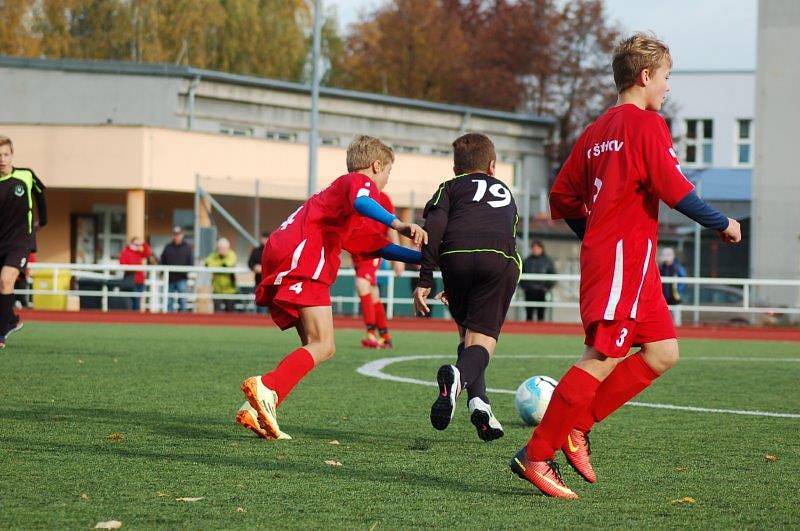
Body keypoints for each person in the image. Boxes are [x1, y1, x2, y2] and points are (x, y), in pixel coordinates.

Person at [508, 32, 742, 499]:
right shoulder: (646, 125)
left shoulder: (595, 132)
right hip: (622, 259)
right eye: (666, 78)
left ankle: (577, 427)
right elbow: (676, 190)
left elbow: (562, 196)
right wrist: (724, 223)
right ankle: (536, 454)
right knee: (602, 356)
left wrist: (593, 234)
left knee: (662, 352)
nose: (668, 88)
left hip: (628, 259)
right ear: (645, 76)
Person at [235, 135, 426, 440]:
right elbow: (364, 201)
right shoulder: (356, 183)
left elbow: (374, 245)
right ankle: (266, 387)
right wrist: (398, 224)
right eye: (389, 172)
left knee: (314, 343)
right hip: (304, 258)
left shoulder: (340, 206)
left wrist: (424, 259)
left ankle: (257, 407)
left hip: (290, 253)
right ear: (376, 165)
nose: (388, 179)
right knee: (324, 344)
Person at [413, 133, 520, 442]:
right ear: (492, 165)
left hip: (454, 260)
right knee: (483, 342)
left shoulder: (448, 188)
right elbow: (506, 228)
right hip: (497, 259)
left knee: (467, 337)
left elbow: (434, 228)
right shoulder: (504, 189)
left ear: (455, 167)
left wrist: (425, 280)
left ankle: (480, 405)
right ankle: (458, 381)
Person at [0, 135, 46, 348]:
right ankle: (11, 320)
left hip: (20, 240)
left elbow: (40, 194)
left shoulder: (25, 176)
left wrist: (42, 221)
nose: (2, 159)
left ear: (12, 155)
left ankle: (1, 334)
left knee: (6, 279)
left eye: (6, 154)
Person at [345, 189, 404, 349]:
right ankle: (385, 336)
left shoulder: (383, 197)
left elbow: (392, 225)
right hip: (356, 252)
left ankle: (370, 333)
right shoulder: (354, 194)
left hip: (372, 247)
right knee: (373, 294)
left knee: (361, 283)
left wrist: (399, 258)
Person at [160, 226, 194, 312]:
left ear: (182, 235)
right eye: (175, 235)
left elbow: (191, 261)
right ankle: (169, 321)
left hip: (182, 278)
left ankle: (183, 320)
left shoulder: (187, 247)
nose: (177, 237)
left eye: (178, 235)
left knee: (183, 300)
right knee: (169, 300)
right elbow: (162, 260)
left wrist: (188, 272)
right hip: (170, 278)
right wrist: (162, 273)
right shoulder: (168, 247)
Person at [521, 241, 557, 321]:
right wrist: (524, 287)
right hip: (529, 291)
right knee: (529, 315)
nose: (535, 250)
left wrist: (546, 287)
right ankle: (527, 331)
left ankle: (541, 331)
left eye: (537, 248)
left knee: (541, 315)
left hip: (542, 291)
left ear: (542, 249)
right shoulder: (526, 261)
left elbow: (553, 275)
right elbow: (520, 274)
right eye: (534, 248)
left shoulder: (548, 261)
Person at [205, 237, 238, 313]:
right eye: (220, 248)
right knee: (217, 311)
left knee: (230, 312)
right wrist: (219, 265)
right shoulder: (213, 255)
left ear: (228, 248)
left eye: (224, 248)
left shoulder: (232, 254)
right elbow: (207, 263)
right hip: (217, 288)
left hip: (230, 289)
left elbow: (228, 264)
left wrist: (216, 266)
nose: (222, 250)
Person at [119, 237, 152, 311]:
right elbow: (122, 263)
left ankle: (136, 316)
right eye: (135, 244)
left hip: (140, 280)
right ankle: (132, 316)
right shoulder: (125, 252)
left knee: (137, 300)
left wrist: (143, 243)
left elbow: (148, 253)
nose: (137, 246)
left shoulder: (138, 253)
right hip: (131, 280)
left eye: (138, 245)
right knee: (134, 300)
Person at [658, 247, 686, 325]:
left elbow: (682, 282)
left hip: (675, 299)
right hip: (663, 298)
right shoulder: (660, 268)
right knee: (664, 322)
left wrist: (678, 293)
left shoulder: (678, 268)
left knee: (677, 322)